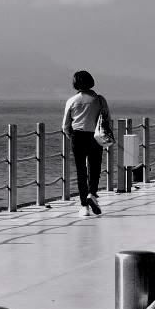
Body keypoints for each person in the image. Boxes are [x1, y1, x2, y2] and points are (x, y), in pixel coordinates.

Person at [62, 70, 111, 217]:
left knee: (81, 171)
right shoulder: (100, 100)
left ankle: (84, 206)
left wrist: (70, 135)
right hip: (96, 137)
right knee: (94, 168)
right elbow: (107, 119)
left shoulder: (72, 101)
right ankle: (92, 194)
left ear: (75, 83)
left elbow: (65, 124)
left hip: (78, 136)